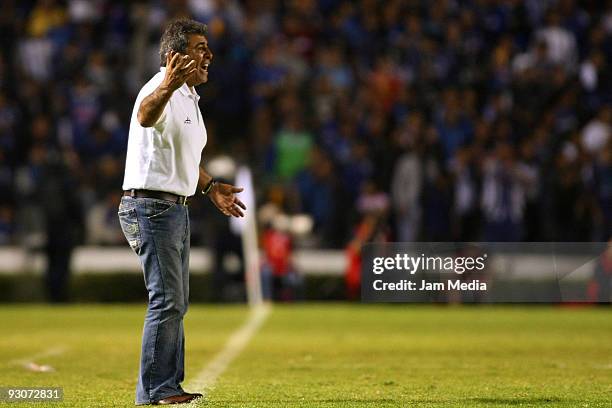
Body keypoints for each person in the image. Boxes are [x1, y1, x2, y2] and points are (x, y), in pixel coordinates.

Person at [118, 19, 246, 406]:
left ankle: (167, 386)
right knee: (167, 300)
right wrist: (168, 85)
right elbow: (144, 114)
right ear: (176, 56)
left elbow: (183, 157)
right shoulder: (162, 89)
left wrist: (209, 186)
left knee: (176, 301)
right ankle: (156, 391)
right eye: (200, 47)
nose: (208, 55)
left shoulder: (188, 96)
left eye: (208, 47)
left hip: (173, 207)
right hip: (151, 207)